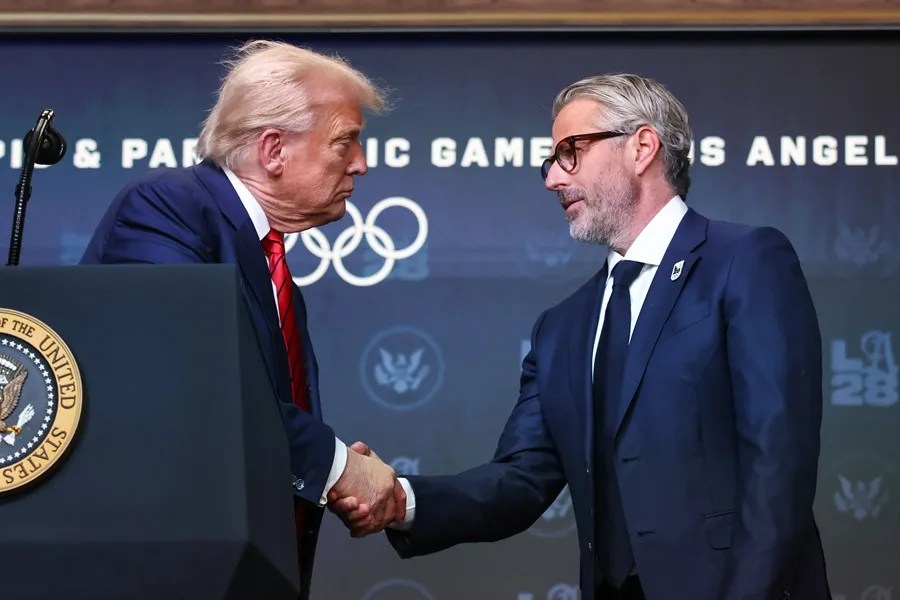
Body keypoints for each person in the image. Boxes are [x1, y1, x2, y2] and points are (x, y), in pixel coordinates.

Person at [332, 74, 831, 599]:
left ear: (641, 146)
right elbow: (520, 482)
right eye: (551, 160)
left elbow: (779, 460)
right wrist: (398, 500)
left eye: (571, 151)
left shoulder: (745, 260)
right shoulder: (562, 327)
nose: (553, 178)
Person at [80, 39, 405, 599]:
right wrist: (335, 466)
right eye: (345, 140)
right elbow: (188, 384)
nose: (362, 162)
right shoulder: (168, 208)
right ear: (273, 149)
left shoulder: (270, 265)